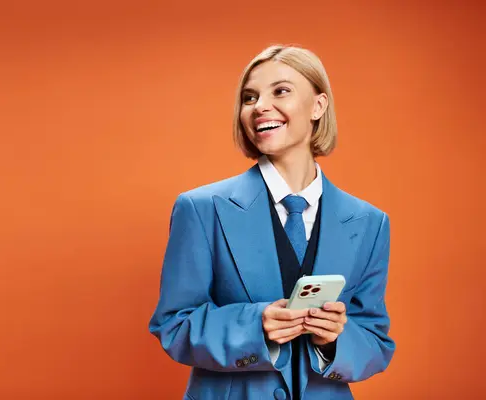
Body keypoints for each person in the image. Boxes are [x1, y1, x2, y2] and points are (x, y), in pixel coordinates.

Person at [149, 45, 395, 400]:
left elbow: (375, 338)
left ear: (318, 106)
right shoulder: (200, 209)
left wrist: (333, 341)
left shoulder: (370, 223)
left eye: (280, 91)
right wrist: (255, 325)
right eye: (250, 97)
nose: (259, 105)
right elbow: (173, 324)